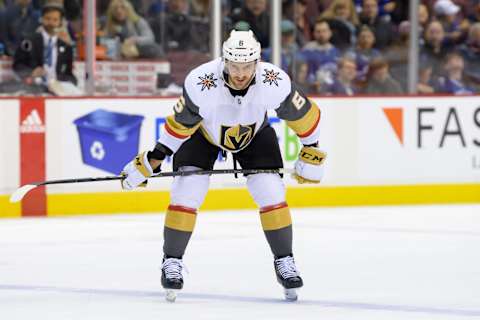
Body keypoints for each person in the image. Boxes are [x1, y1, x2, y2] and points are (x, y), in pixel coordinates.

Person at [120, 30, 326, 302]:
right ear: (224, 61)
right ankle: (172, 261)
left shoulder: (273, 80)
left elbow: (305, 116)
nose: (240, 73)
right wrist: (152, 160)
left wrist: (311, 149)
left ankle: (284, 260)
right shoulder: (201, 81)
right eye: (234, 66)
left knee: (271, 191)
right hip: (202, 133)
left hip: (254, 133)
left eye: (247, 66)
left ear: (257, 62)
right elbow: (180, 125)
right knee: (187, 190)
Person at [13, 3, 76, 89]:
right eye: (47, 18)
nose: (51, 23)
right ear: (42, 19)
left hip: (58, 89)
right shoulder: (28, 41)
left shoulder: (66, 47)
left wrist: (69, 83)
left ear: (60, 22)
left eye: (55, 20)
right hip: (33, 88)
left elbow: (69, 74)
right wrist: (31, 72)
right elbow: (17, 65)